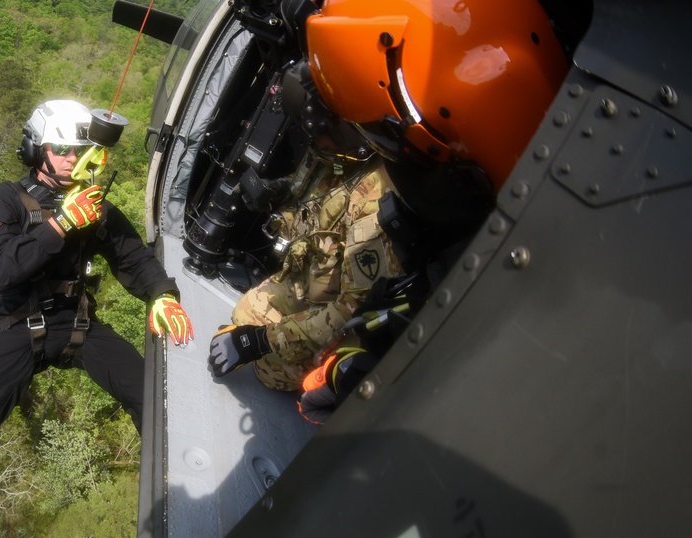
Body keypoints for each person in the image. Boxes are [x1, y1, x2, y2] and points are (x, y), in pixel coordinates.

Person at [208, 0, 568, 405]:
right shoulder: (347, 162)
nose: (322, 147)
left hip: (340, 316)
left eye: (327, 137)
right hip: (311, 281)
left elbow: (350, 310)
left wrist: (260, 342)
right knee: (244, 311)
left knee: (269, 369)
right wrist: (277, 211)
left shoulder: (382, 200)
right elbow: (318, 221)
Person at [0, 99, 193, 538]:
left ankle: (175, 495)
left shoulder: (95, 206)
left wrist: (163, 295)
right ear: (38, 150)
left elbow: (132, 259)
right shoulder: (6, 200)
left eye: (79, 149)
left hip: (76, 325)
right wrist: (58, 226)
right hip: (19, 327)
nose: (71, 158)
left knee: (153, 398)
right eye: (61, 148)